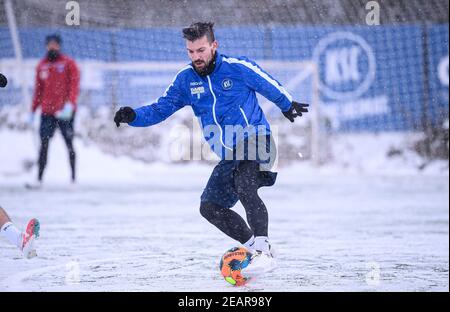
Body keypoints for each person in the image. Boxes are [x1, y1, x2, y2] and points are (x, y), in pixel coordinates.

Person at [114, 22, 308, 271]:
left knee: (244, 184)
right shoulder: (185, 80)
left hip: (258, 139)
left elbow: (265, 82)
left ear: (214, 46)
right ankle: (253, 247)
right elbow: (160, 108)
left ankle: (262, 248)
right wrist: (134, 116)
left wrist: (286, 103)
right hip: (231, 154)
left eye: (201, 50)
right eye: (191, 52)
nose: (196, 57)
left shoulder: (236, 68)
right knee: (209, 207)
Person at [29, 34, 80, 187]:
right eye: (50, 44)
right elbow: (38, 90)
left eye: (55, 44)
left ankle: (73, 179)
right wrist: (33, 110)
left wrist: (70, 104)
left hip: (65, 112)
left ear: (59, 46)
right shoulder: (41, 65)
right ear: (46, 45)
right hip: (47, 112)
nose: (52, 47)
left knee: (69, 144)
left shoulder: (68, 63)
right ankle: (39, 179)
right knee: (44, 145)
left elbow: (74, 85)